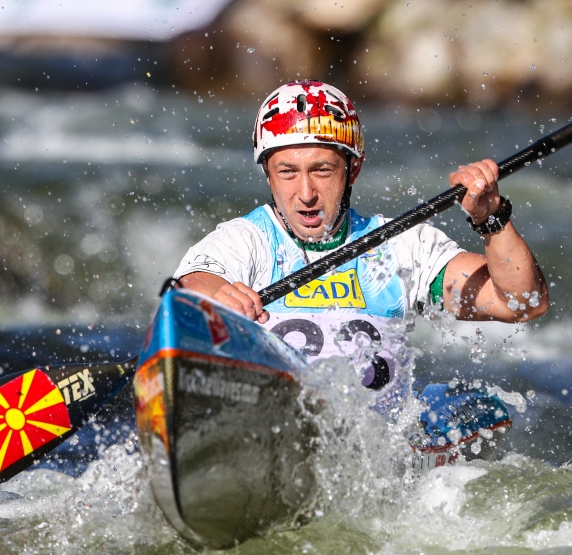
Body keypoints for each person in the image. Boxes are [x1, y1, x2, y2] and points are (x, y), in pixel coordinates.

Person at [173, 80, 548, 390]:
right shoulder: (246, 240)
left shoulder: (403, 247)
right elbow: (190, 287)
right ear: (268, 174)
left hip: (374, 453)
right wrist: (217, 297)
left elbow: (521, 303)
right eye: (287, 172)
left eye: (322, 170)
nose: (305, 193)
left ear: (353, 170)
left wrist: (492, 219)